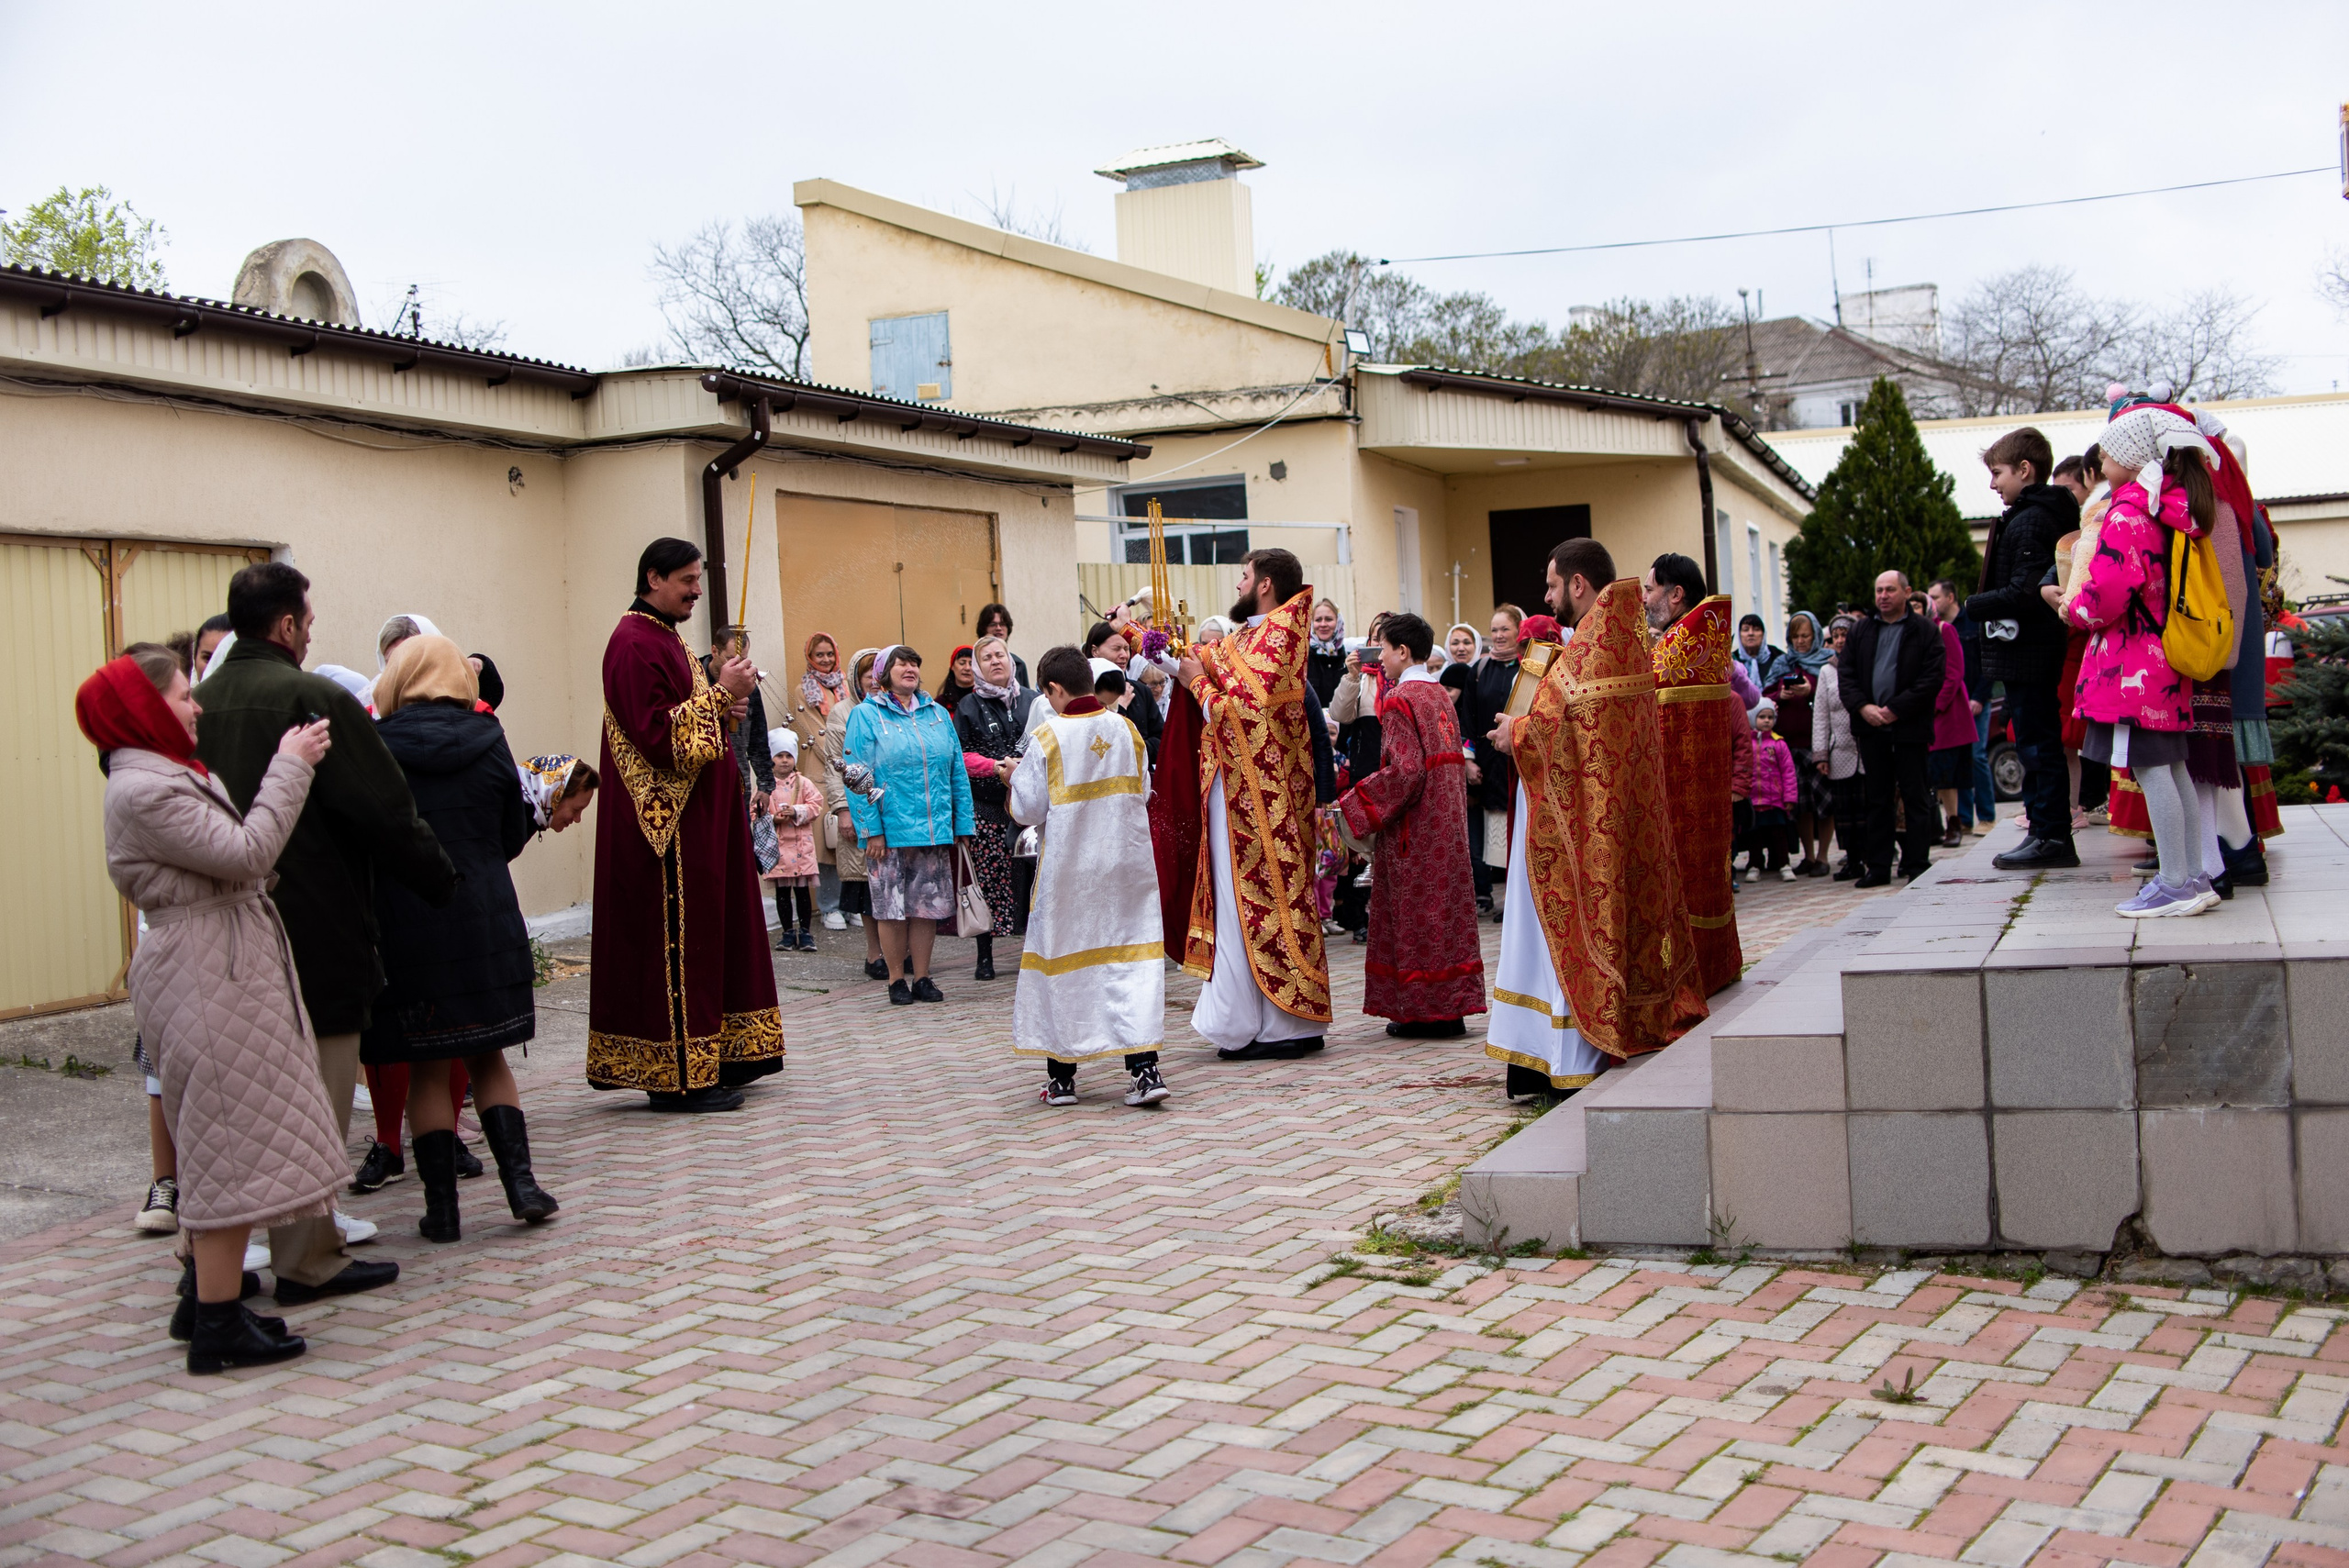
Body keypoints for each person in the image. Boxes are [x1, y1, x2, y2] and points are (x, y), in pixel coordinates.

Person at [195, 562, 451, 1305]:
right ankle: (308, 1255)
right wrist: (440, 882)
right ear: (285, 626)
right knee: (316, 1097)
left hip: (218, 936)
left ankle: (212, 1264)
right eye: (306, 622)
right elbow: (383, 808)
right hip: (315, 928)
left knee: (231, 1107)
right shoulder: (311, 698)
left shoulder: (196, 704)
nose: (310, 634)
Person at [84, 645, 344, 1372]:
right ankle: (219, 1325)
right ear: (144, 710)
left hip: (215, 964)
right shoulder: (147, 791)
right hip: (205, 973)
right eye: (181, 696)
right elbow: (249, 851)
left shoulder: (165, 774)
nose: (195, 706)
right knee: (225, 1146)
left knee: (222, 1136)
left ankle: (203, 1301)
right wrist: (290, 765)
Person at [1485, 539, 1708, 1097]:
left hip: (1578, 833)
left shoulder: (1593, 647)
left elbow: (1557, 728)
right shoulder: (1614, 636)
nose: (1547, 596)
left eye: (1552, 585)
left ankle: (1565, 1052)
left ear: (1578, 584)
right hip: (1588, 817)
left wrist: (1514, 734)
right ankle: (1537, 1052)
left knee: (1556, 936)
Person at [362, 636, 555, 1242]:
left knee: (427, 1066)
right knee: (488, 1055)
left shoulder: (377, 744)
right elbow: (511, 826)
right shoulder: (488, 736)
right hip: (484, 915)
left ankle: (442, 1212)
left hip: (408, 920)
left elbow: (372, 835)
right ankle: (521, 1186)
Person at [586, 539, 784, 1112]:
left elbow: (686, 717)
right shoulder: (633, 642)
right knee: (678, 946)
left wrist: (724, 704)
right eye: (688, 581)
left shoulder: (664, 636)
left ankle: (718, 1056)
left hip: (700, 821)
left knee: (712, 938)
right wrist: (721, 695)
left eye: (699, 579)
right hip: (667, 830)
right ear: (654, 578)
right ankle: (677, 1076)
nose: (698, 591)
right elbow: (657, 735)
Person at [1175, 548, 1334, 1061]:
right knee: (1239, 903)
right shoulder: (1248, 636)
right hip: (1238, 790)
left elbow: (1248, 714)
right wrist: (1138, 635)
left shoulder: (1282, 635)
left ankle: (1285, 1025)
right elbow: (1201, 658)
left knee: (1265, 903)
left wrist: (1196, 683)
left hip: (1268, 801)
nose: (1238, 585)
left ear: (1264, 584)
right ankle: (1262, 1020)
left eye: (1244, 577)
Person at [2067, 409, 2220, 917]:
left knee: (2152, 770)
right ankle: (2194, 875)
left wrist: (2075, 609)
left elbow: (2110, 589)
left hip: (2130, 661)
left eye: (2107, 455)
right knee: (2173, 768)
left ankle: (2175, 883)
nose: (2101, 463)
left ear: (2132, 459)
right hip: (2164, 658)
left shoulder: (2129, 512)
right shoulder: (2166, 508)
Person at [1009, 645, 1168, 1106]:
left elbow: (1027, 809)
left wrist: (1010, 779)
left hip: (1070, 872)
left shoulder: (1047, 737)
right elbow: (1144, 790)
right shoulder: (1127, 729)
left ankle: (1062, 1079)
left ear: (1054, 689)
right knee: (1130, 963)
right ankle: (1145, 1071)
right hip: (1125, 868)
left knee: (1063, 960)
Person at [1334, 612, 1484, 1038]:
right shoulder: (1438, 694)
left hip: (1414, 831)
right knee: (1445, 917)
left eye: (1383, 649)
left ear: (1402, 651)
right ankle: (1450, 1009)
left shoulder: (1400, 698)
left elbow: (1405, 772)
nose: (1379, 657)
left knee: (1417, 917)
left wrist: (1354, 804)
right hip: (1448, 826)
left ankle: (1423, 1014)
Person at [1967, 427, 2081, 871]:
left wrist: (1974, 604)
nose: (1992, 484)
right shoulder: (2032, 515)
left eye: (1998, 473)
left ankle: (2051, 836)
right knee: (2035, 743)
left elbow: (2024, 591)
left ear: (2025, 469)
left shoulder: (2032, 520)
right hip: (2028, 651)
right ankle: (2043, 831)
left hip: (2029, 650)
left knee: (2037, 745)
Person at [846, 645, 975, 1004]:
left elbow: (957, 771)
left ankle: (922, 977)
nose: (910, 669)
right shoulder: (866, 715)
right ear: (883, 673)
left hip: (933, 830)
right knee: (891, 909)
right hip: (888, 834)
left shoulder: (937, 714)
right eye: (901, 663)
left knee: (926, 908)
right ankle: (895, 980)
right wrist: (871, 830)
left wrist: (962, 822)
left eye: (915, 663)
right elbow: (857, 775)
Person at [1642, 553, 1744, 993]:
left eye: (1649, 590)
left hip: (1678, 798)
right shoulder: (1701, 635)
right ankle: (1716, 964)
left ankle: (1684, 977)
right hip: (1705, 797)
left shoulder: (1675, 648)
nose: (1644, 599)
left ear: (1676, 594)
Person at [1839, 569, 1946, 886]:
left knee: (1915, 797)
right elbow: (1846, 675)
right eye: (1879, 590)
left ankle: (1917, 864)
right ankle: (1878, 867)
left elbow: (1932, 678)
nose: (1883, 596)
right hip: (1871, 728)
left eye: (1890, 590)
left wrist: (1896, 709)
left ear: (1906, 592)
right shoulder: (1860, 631)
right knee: (1877, 799)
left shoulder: (1925, 630)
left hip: (1910, 728)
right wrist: (1864, 707)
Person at [956, 635, 1038, 970]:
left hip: (1032, 808)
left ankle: (1035, 951)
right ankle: (985, 956)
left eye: (999, 654)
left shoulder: (1033, 700)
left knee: (1033, 880)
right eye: (986, 657)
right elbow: (960, 756)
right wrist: (994, 766)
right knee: (990, 883)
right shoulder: (968, 706)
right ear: (978, 667)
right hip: (988, 809)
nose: (995, 661)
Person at [2050, 453, 2113, 828]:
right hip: (2082, 637)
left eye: (2069, 489)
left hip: (2086, 637)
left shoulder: (2099, 515)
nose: (2065, 498)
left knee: (2084, 735)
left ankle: (2089, 801)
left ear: (2089, 475)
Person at [826, 648, 885, 975]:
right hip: (858, 808)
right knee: (866, 887)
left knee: (893, 883)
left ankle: (900, 950)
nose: (874, 682)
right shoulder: (843, 712)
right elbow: (835, 765)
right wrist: (842, 809)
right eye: (867, 676)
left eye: (879, 675)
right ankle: (875, 954)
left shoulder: (893, 709)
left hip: (889, 808)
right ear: (856, 679)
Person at [1927, 579, 1996, 836]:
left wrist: (1979, 697)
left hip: (1975, 702)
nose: (1932, 602)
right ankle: (1964, 819)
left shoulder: (1974, 623)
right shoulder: (1935, 629)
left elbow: (1988, 661)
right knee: (1958, 762)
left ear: (1950, 597)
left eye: (1936, 597)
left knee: (1977, 757)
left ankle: (1986, 817)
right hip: (1953, 705)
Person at [1468, 605, 1525, 914]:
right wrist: (1468, 760)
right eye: (1494, 630)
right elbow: (1468, 718)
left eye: (1505, 629)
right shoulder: (1479, 670)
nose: (1499, 635)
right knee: (1497, 836)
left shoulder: (1528, 667)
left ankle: (1519, 901)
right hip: (1488, 767)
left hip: (1519, 763)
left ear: (1519, 631)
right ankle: (1504, 899)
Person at [1779, 611, 1832, 874]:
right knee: (1801, 804)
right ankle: (1808, 856)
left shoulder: (1827, 663)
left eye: (1805, 636)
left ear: (1816, 636)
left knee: (1824, 802)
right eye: (1795, 637)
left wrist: (1811, 690)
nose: (1800, 641)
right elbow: (1765, 696)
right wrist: (1780, 695)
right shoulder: (1783, 663)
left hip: (1818, 744)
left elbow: (1835, 695)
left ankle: (1823, 857)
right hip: (1791, 746)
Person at [1812, 617, 1865, 878]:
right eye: (1836, 636)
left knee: (1869, 807)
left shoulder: (1866, 663)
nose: (1841, 640)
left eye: (1846, 634)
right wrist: (1821, 753)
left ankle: (1876, 857)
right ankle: (1853, 861)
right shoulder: (1826, 671)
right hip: (1840, 750)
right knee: (1845, 811)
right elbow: (1821, 715)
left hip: (1865, 750)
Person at [1924, 584, 1976, 847]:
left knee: (1947, 774)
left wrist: (1935, 705)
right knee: (1928, 775)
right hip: (1919, 712)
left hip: (1945, 714)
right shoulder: (1911, 635)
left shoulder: (1944, 630)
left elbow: (1955, 672)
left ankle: (1955, 823)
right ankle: (1933, 826)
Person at [764, 728, 825, 952]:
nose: (784, 760)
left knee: (802, 892)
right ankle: (787, 932)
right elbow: (756, 811)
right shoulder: (766, 785)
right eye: (779, 755)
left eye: (788, 756)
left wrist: (797, 811)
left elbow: (816, 805)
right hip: (778, 849)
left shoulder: (804, 783)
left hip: (801, 847)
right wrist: (773, 818)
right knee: (782, 893)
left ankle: (806, 932)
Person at [1738, 700, 1798, 881]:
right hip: (1753, 801)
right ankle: (1754, 865)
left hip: (1774, 800)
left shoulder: (1779, 744)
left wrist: (1789, 797)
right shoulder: (1745, 744)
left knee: (1779, 834)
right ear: (1752, 718)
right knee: (1754, 836)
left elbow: (1788, 772)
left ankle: (1784, 864)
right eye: (1762, 717)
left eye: (1770, 717)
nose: (1766, 721)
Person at [1733, 615, 1793, 693]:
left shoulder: (1777, 657)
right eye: (1746, 630)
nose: (1750, 633)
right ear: (1739, 634)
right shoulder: (1732, 660)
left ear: (1763, 634)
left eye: (1756, 629)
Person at [974, 602, 1030, 687]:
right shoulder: (970, 662)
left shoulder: (1018, 664)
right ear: (984, 628)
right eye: (993, 624)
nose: (998, 628)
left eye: (1002, 624)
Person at [1306, 599, 1347, 705]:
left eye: (1328, 619)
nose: (1323, 624)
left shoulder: (1348, 660)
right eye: (1318, 620)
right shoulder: (1303, 658)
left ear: (1338, 622)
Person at [936, 644, 977, 710]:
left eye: (971, 664)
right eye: (962, 663)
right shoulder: (940, 704)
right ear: (952, 666)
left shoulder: (984, 699)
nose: (967, 668)